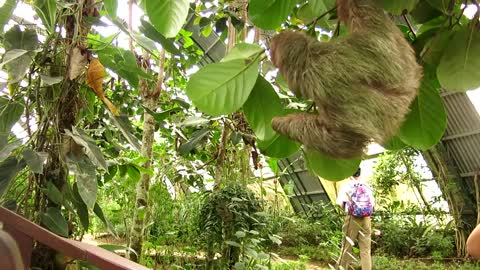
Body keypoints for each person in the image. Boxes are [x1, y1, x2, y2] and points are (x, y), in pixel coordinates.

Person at [336, 168, 375, 270]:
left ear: (349, 173)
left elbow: (340, 203)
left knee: (346, 247)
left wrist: (349, 211)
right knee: (366, 250)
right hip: (366, 219)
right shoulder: (366, 186)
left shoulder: (347, 185)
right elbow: (373, 205)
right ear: (359, 174)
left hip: (352, 218)